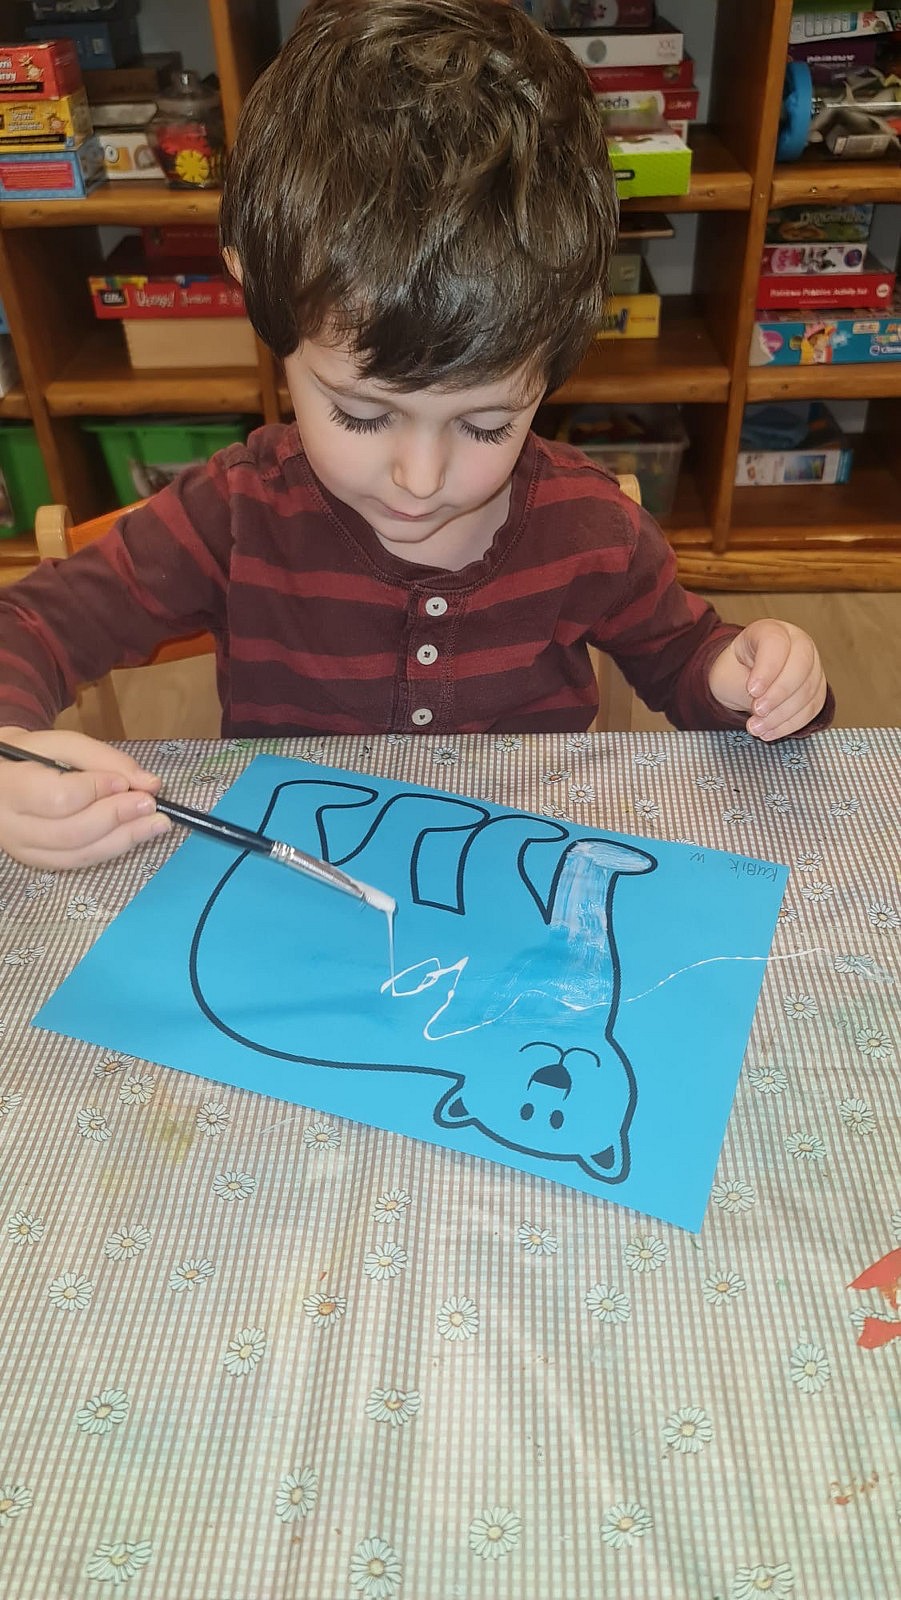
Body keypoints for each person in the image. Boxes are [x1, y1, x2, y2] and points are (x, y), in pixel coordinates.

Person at [0, 0, 830, 871]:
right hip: (297, 895)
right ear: (260, 297)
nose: (421, 478)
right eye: (361, 414)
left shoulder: (593, 528)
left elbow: (686, 659)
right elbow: (30, 624)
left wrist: (749, 677)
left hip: (509, 888)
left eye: (486, 423)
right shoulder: (233, 513)